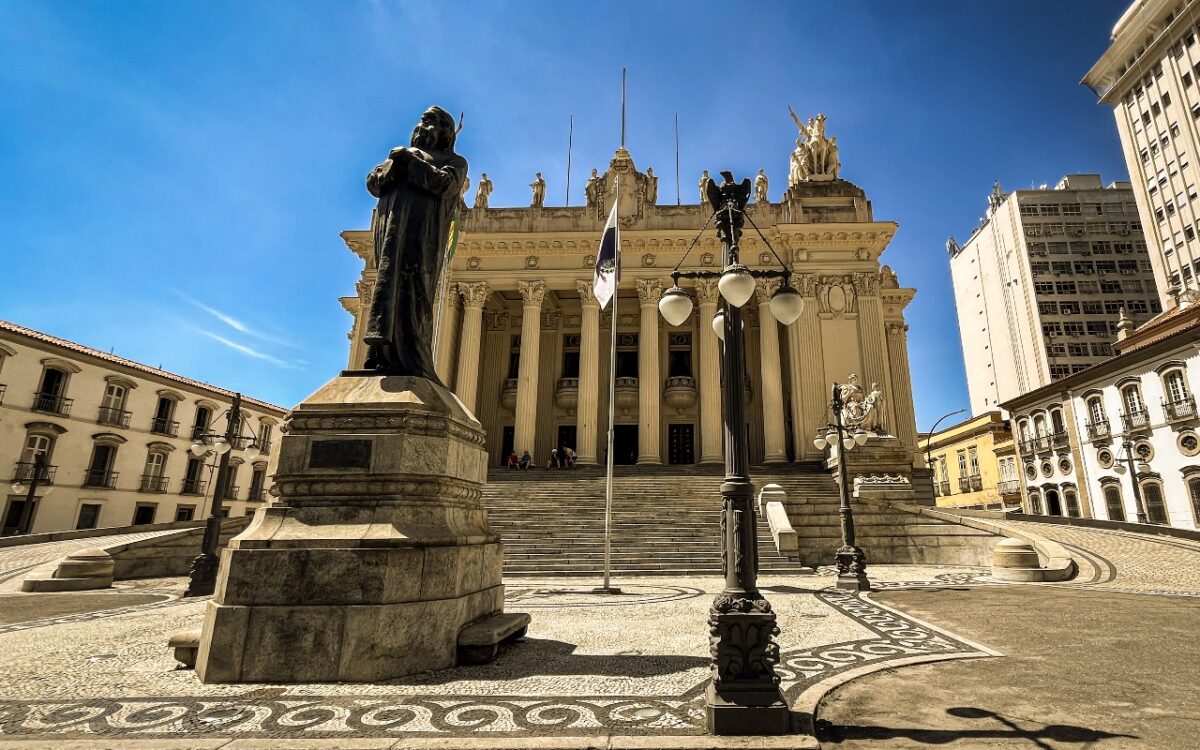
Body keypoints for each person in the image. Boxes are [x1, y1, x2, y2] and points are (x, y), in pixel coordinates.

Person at [362, 106, 467, 379]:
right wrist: (396, 164)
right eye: (422, 120)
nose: (423, 126)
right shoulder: (398, 157)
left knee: (415, 294)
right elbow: (374, 184)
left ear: (443, 129)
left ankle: (414, 358)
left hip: (423, 237)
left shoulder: (453, 161)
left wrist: (412, 162)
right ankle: (381, 355)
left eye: (430, 121)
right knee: (386, 291)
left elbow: (444, 184)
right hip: (391, 236)